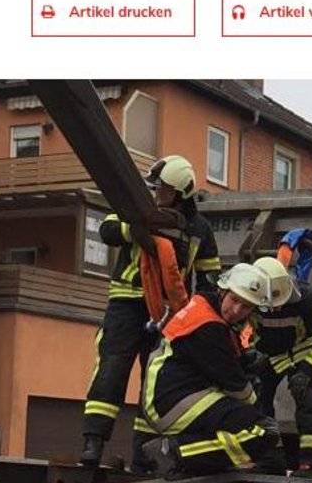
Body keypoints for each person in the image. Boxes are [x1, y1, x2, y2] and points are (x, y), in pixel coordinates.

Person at [80, 155, 221, 467]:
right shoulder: (138, 210)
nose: (157, 195)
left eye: (164, 191)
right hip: (126, 303)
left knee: (154, 384)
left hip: (168, 314)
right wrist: (139, 229)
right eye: (156, 189)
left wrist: (202, 318)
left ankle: (143, 457)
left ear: (182, 193)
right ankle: (92, 444)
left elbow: (209, 279)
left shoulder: (199, 230)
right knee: (111, 370)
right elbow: (107, 230)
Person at [139, 263, 286, 478]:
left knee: (243, 426)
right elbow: (239, 391)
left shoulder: (203, 308)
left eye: (245, 307)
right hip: (175, 402)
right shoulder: (210, 326)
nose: (236, 311)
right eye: (234, 300)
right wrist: (258, 417)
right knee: (265, 430)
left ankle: (190, 455)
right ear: (222, 291)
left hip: (173, 397)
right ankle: (176, 453)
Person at [247, 253, 312, 475]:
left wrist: (308, 371)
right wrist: (251, 356)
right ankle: (270, 457)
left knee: (309, 400)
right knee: (257, 399)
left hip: (303, 352)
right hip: (270, 354)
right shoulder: (248, 299)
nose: (277, 309)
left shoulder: (308, 298)